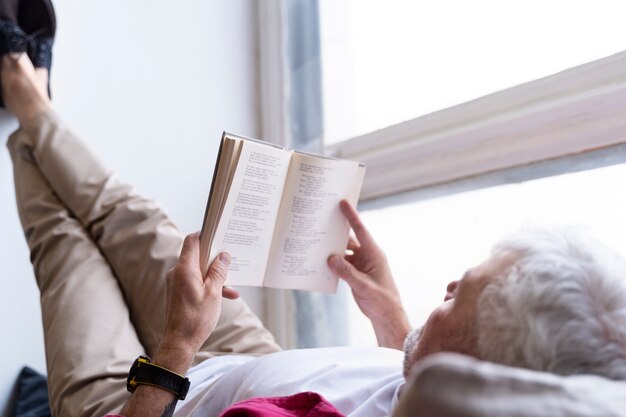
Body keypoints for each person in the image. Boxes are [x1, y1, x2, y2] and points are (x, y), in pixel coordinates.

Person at [3, 3, 626, 417]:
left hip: (147, 396)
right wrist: (394, 318)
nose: (452, 282)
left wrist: (175, 343)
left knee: (67, 246)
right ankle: (36, 103)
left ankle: (23, 92)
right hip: (265, 366)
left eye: (459, 299)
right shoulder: (446, 387)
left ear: (480, 373)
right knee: (139, 220)